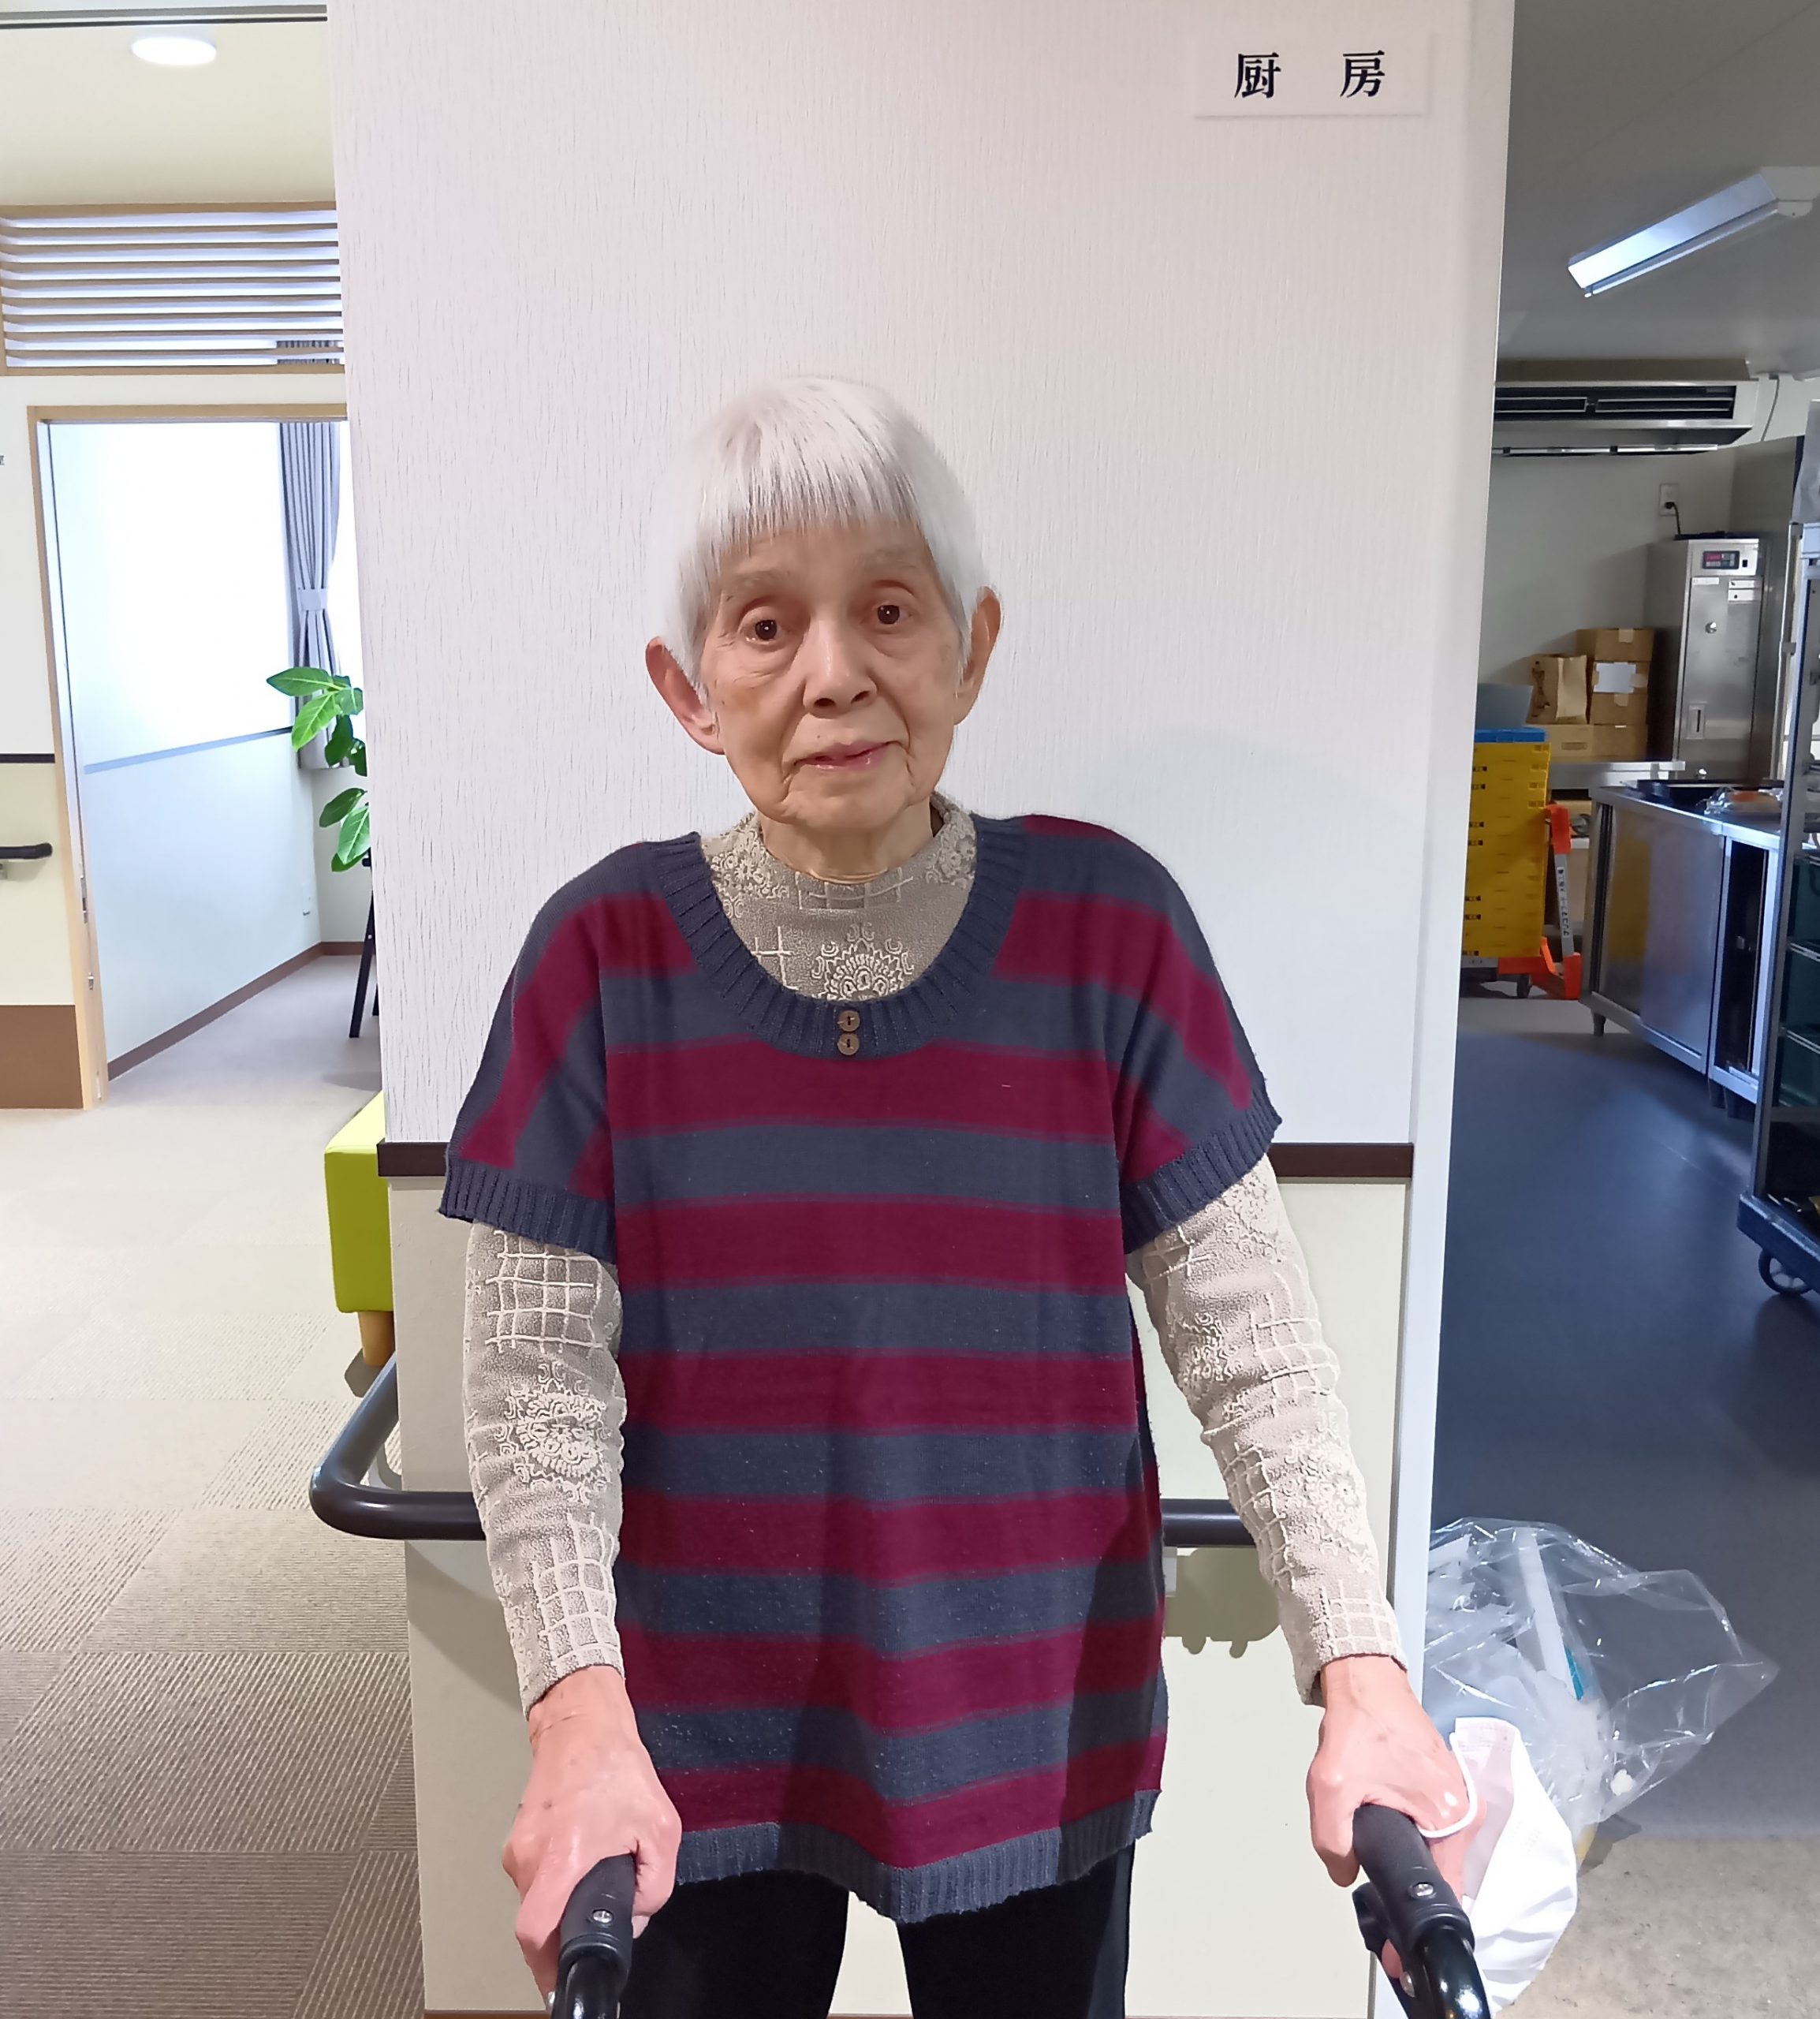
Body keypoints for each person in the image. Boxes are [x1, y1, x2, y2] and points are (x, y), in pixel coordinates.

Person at [441, 378, 1467, 2019]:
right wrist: (575, 1713)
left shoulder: (1111, 930)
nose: (833, 671)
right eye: (764, 623)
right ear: (688, 688)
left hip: (1033, 1727)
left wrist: (1360, 1666)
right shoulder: (597, 958)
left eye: (888, 608)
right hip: (688, 1740)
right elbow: (535, 1386)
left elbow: (1254, 1342)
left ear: (971, 647)